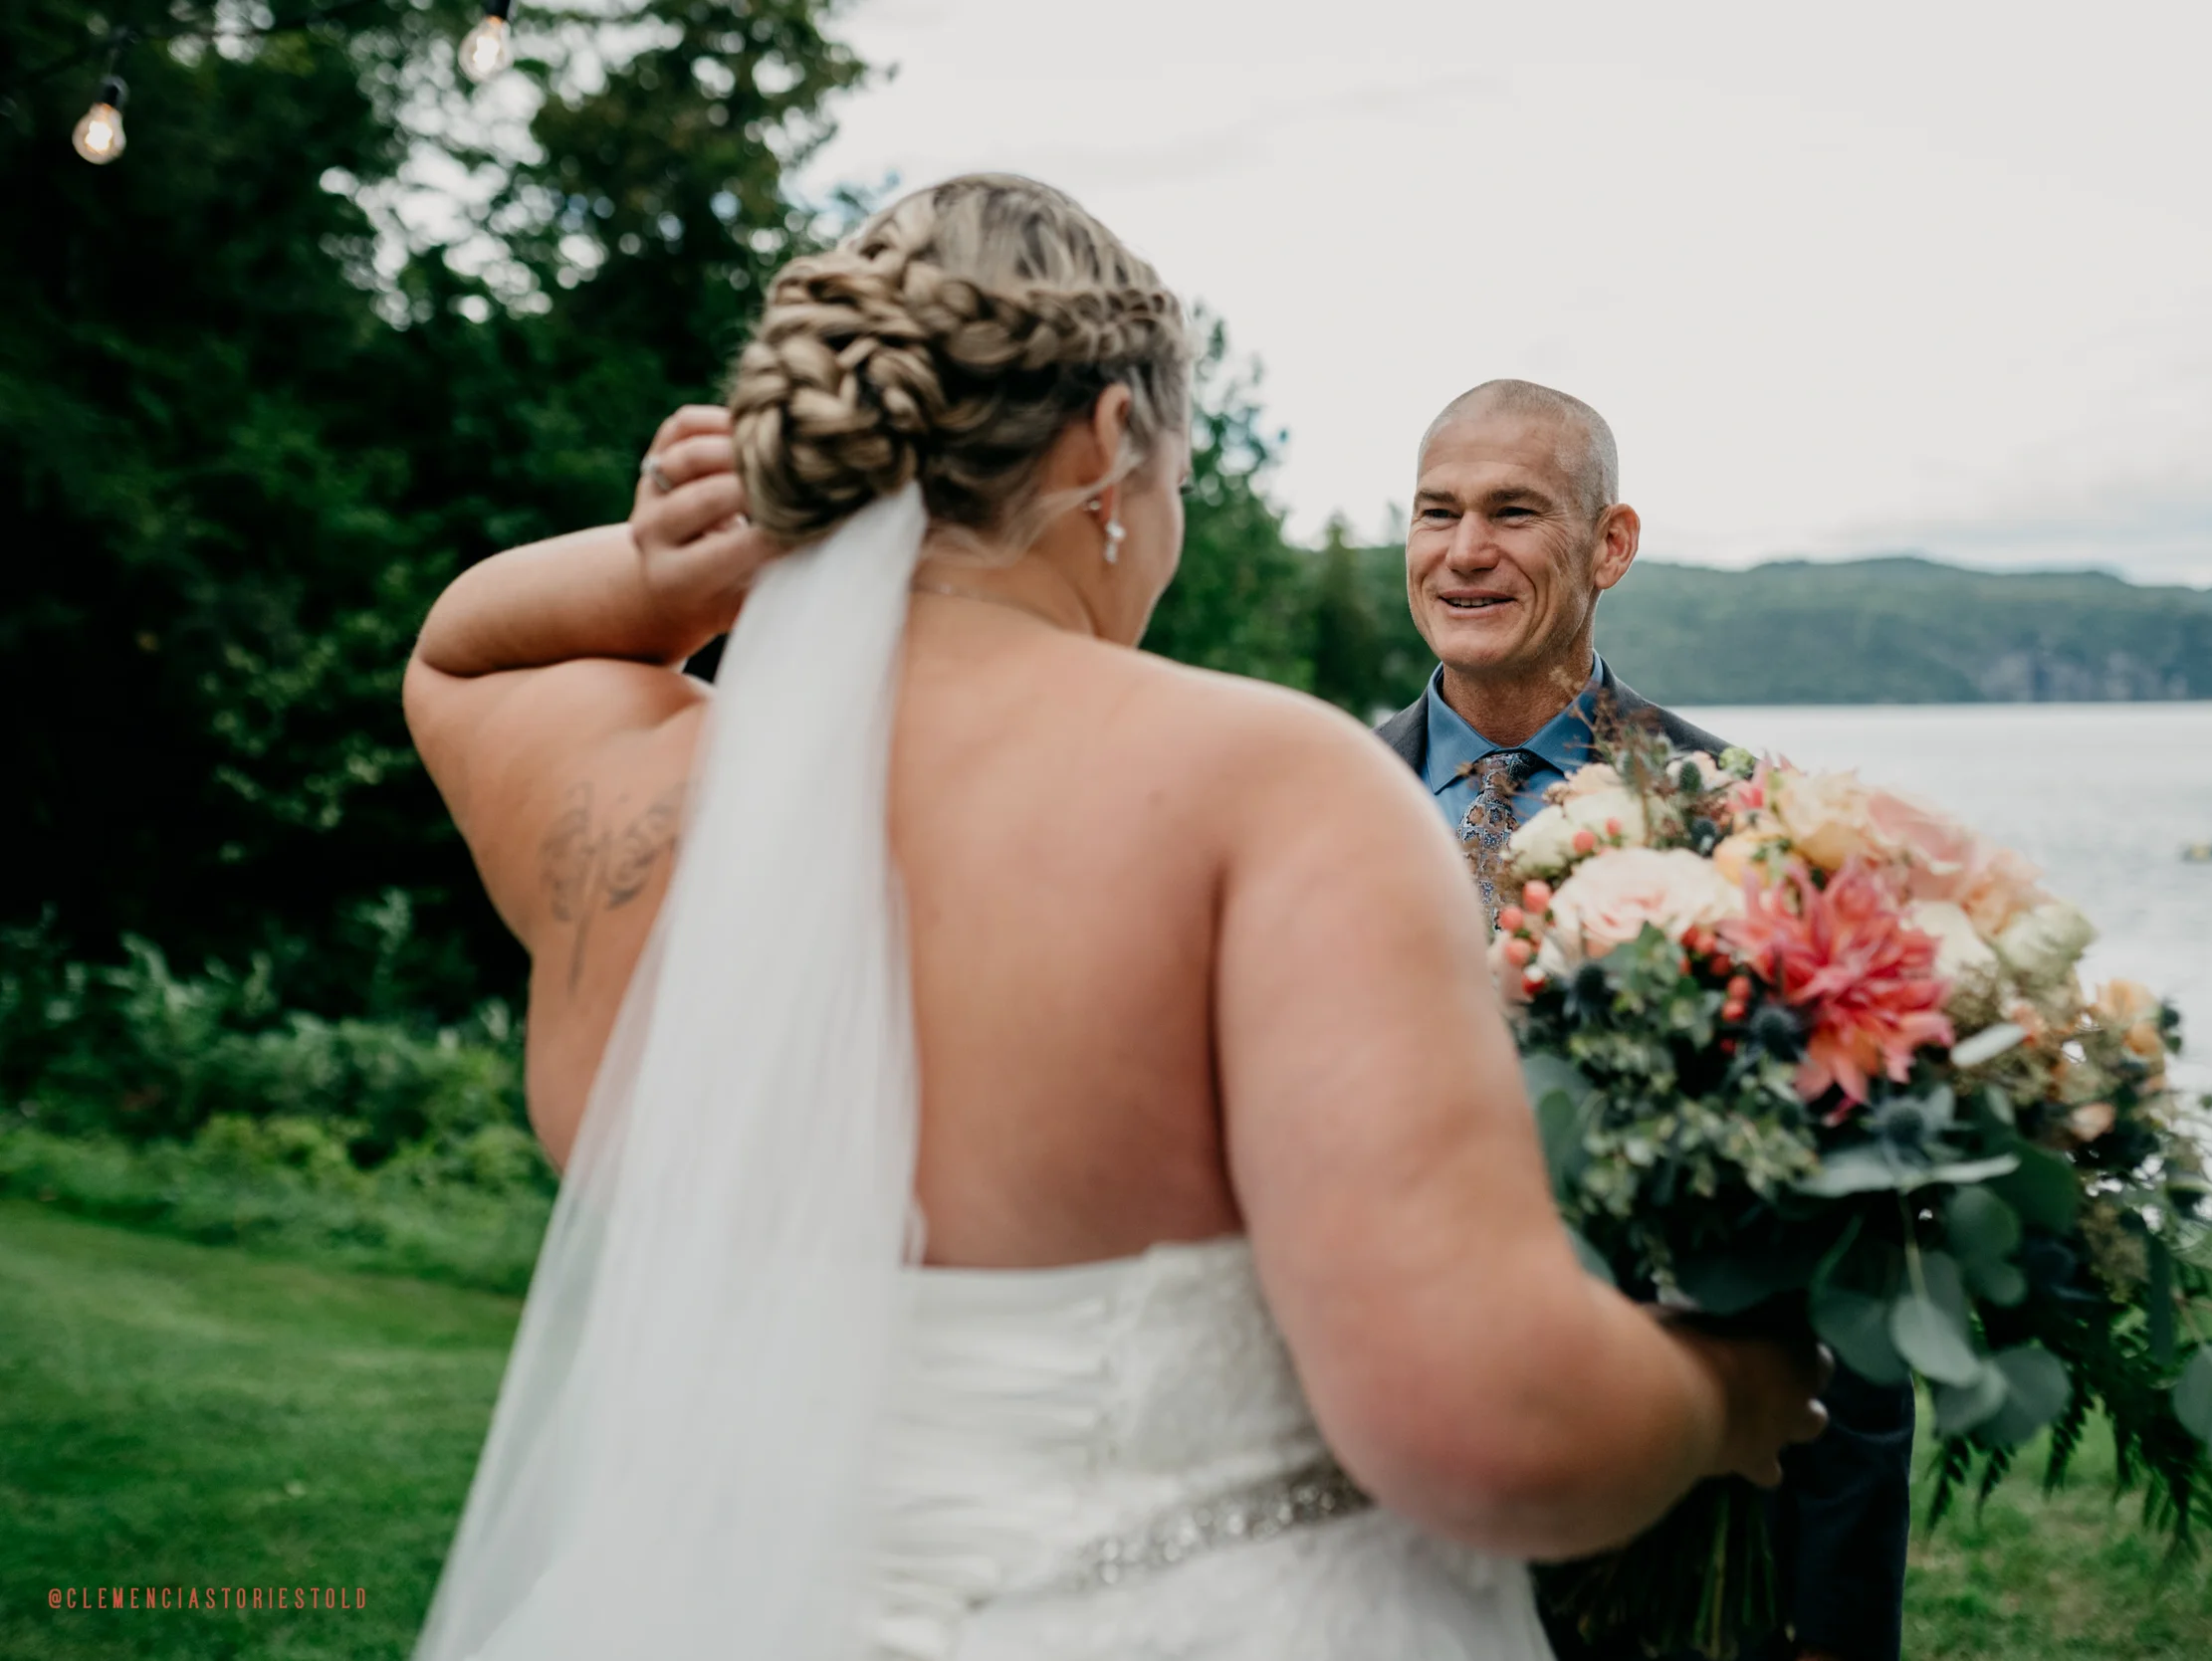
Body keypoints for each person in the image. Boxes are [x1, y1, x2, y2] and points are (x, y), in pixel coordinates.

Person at [401, 175, 1827, 1660]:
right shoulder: (1271, 786)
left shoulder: (618, 797)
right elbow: (1484, 1424)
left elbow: (461, 658)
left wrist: (669, 570)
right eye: (1183, 481)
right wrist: (1728, 1394)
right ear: (1106, 448)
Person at [1376, 379, 1916, 1661]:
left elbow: (1848, 1262)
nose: (1464, 553)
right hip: (1381, 1479)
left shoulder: (1753, 823)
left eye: (1514, 512)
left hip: (1671, 1501)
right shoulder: (1318, 804)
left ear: (1610, 544)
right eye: (1435, 513)